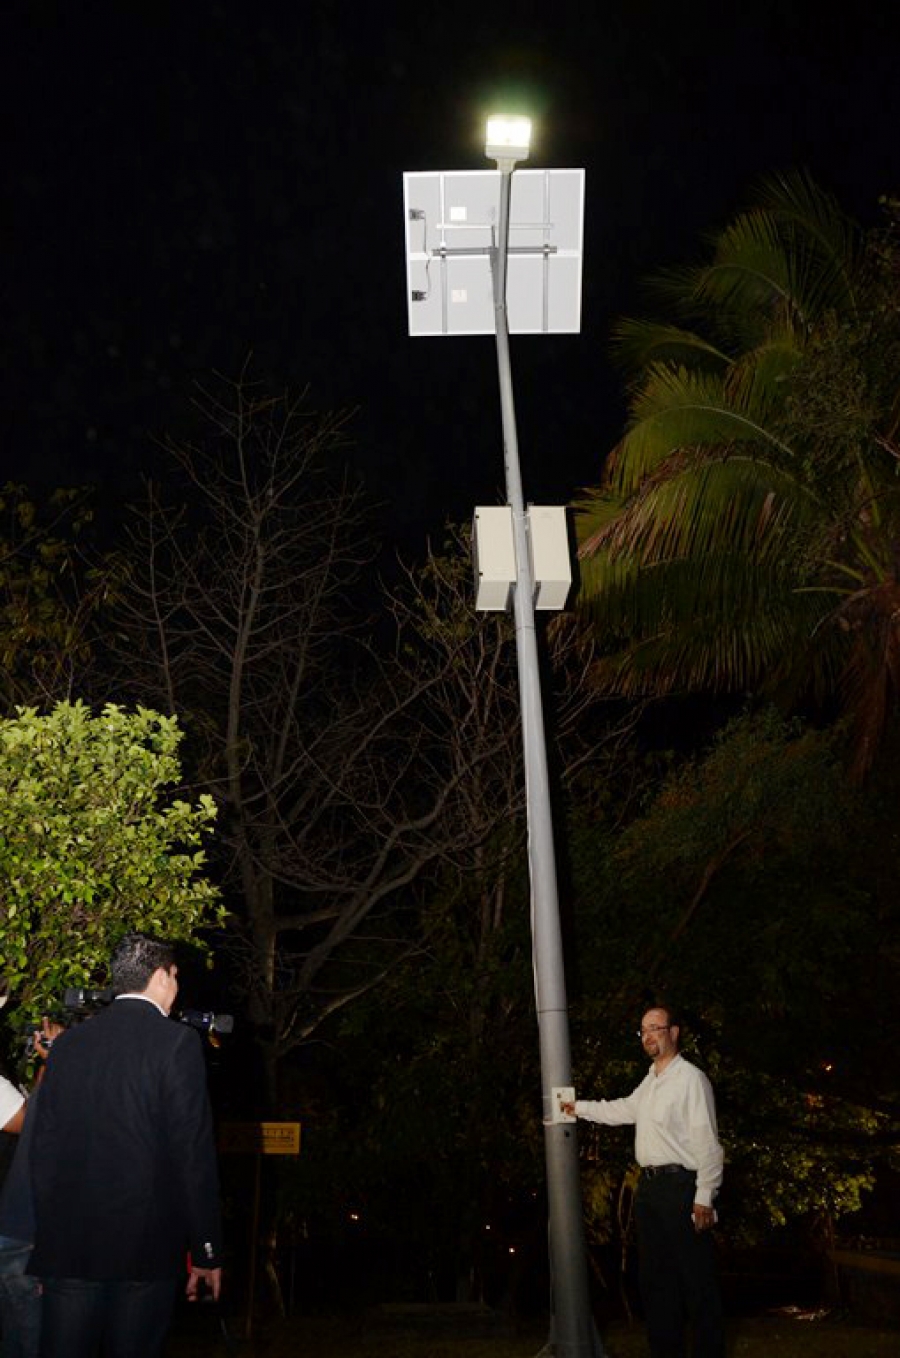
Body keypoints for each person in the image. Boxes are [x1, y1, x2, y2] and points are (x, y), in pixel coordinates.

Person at [22, 934, 224, 1358]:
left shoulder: (69, 1045)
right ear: (160, 977)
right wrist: (206, 1249)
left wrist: (44, 1243)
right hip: (143, 1252)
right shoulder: (177, 1043)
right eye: (175, 975)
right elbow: (193, 1154)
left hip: (67, 1249)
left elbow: (43, 1151)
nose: (177, 986)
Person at [562, 1005, 725, 1358]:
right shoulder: (650, 1081)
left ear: (674, 1032)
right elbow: (622, 1109)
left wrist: (704, 1196)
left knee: (696, 1283)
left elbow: (709, 1144)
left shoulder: (690, 1080)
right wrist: (577, 1108)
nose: (648, 1036)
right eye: (643, 1030)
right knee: (656, 1283)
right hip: (650, 1191)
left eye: (656, 1028)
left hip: (683, 1188)